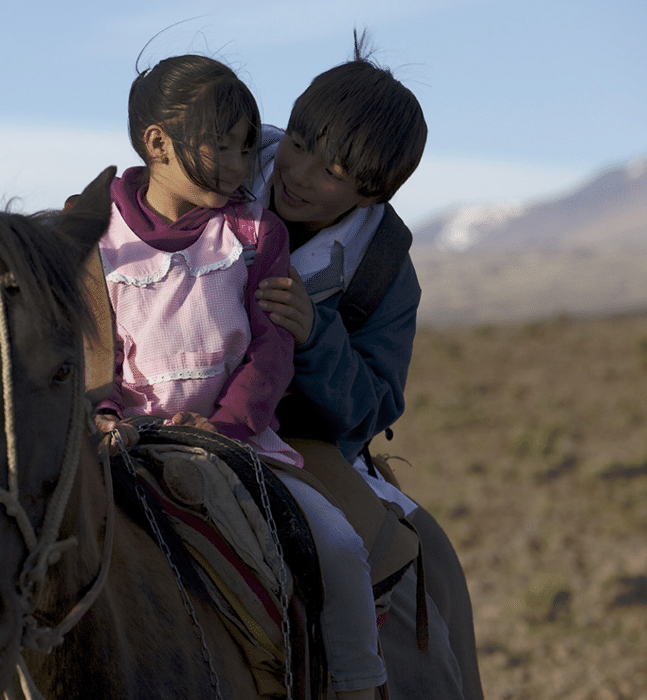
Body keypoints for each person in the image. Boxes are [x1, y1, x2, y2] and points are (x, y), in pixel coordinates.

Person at [92, 53, 386, 700]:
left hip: (239, 444)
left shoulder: (256, 233)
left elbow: (272, 350)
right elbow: (90, 348)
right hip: (123, 445)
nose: (237, 165)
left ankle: (358, 685)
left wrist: (227, 426)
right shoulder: (97, 240)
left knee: (337, 544)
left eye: (246, 146)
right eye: (218, 146)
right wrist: (106, 416)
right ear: (157, 143)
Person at [253, 32, 483, 700]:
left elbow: (372, 408)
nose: (299, 175)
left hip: (302, 445)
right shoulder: (216, 170)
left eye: (333, 174)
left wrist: (313, 336)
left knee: (425, 559)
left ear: (370, 194)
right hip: (153, 408)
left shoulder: (382, 269)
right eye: (299, 144)